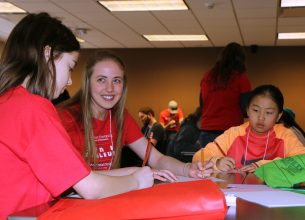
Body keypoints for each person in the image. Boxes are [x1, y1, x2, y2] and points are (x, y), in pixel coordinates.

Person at [0, 13, 154, 220]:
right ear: (48, 54)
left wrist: (134, 173)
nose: (70, 81)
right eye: (70, 67)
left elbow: (78, 177)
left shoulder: (9, 102)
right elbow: (91, 188)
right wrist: (137, 181)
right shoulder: (32, 108)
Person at [57, 51, 211, 182]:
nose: (110, 88)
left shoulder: (120, 117)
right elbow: (78, 177)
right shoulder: (66, 118)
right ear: (87, 83)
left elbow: (156, 159)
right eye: (101, 80)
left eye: (116, 81)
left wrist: (187, 169)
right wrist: (133, 173)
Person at [193, 84, 305, 173]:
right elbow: (199, 156)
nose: (261, 117)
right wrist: (216, 162)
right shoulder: (234, 134)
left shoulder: (285, 135)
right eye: (255, 110)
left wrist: (264, 166)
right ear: (248, 110)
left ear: (278, 116)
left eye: (269, 112)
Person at [199, 42, 252, 148]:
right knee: (231, 164)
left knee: (209, 164)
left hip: (207, 131)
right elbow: (246, 109)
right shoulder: (240, 77)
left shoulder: (207, 76)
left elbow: (202, 104)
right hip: (230, 131)